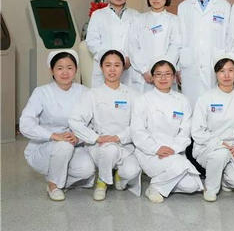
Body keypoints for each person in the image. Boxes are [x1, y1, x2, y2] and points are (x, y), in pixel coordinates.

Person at [19, 50, 95, 201]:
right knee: (63, 145)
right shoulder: (41, 92)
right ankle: (54, 185)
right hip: (44, 147)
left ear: (76, 69)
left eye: (69, 67)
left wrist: (78, 138)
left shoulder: (85, 92)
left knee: (87, 170)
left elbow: (93, 123)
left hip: (75, 144)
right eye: (60, 68)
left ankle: (60, 180)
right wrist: (54, 136)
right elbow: (25, 124)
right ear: (51, 70)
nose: (65, 72)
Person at [68, 49, 142, 200]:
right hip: (100, 146)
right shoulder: (92, 94)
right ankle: (102, 182)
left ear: (123, 68)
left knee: (132, 172)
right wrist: (96, 138)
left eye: (117, 65)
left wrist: (118, 137)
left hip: (124, 145)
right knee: (109, 150)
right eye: (108, 65)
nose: (112, 69)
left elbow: (138, 125)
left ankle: (118, 175)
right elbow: (74, 120)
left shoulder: (133, 95)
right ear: (101, 68)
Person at [131, 60, 203, 203]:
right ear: (152, 77)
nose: (163, 78)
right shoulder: (143, 100)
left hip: (175, 151)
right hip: (150, 153)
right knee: (180, 166)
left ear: (174, 77)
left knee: (191, 186)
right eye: (158, 74)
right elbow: (137, 131)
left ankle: (156, 185)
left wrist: (174, 148)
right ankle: (160, 184)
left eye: (167, 74)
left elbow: (186, 131)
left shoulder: (182, 100)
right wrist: (156, 148)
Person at [191, 54, 234, 202]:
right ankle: (210, 189)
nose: (226, 75)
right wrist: (219, 143)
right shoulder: (206, 98)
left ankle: (223, 179)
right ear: (216, 73)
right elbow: (197, 131)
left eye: (230, 70)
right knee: (220, 154)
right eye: (222, 71)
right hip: (208, 146)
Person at [178, 0, 231, 107]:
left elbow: (228, 38)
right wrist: (178, 67)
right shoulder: (184, 7)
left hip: (215, 63)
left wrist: (227, 65)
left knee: (216, 107)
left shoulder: (224, 6)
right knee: (191, 107)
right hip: (191, 66)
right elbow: (180, 38)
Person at [129, 0, 181, 92]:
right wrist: (144, 70)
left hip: (165, 75)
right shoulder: (138, 19)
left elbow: (175, 46)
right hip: (143, 76)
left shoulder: (174, 20)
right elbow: (133, 46)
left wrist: (163, 71)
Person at [86, 0, 138, 87]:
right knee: (104, 96)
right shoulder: (98, 15)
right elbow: (92, 42)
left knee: (128, 95)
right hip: (104, 66)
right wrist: (108, 60)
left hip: (129, 66)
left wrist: (130, 59)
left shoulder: (136, 15)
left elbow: (140, 42)